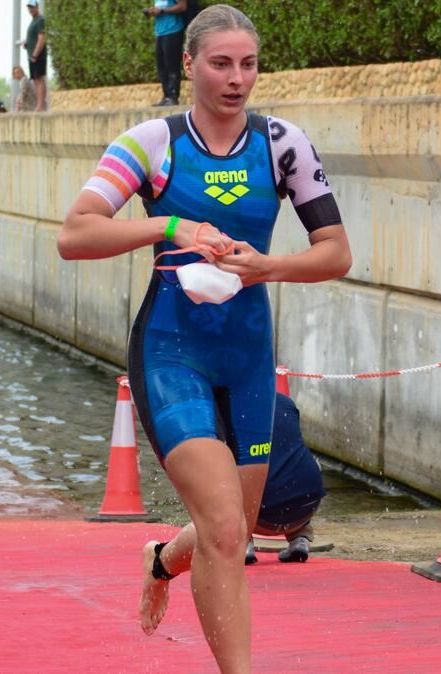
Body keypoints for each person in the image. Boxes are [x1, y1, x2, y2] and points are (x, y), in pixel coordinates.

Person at [56, 6, 351, 670]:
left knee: (235, 529)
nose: (236, 79)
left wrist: (270, 265)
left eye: (248, 64)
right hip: (171, 353)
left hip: (246, 354)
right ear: (188, 65)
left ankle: (160, 560)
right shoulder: (150, 144)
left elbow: (336, 253)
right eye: (221, 63)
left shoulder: (283, 145)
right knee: (223, 530)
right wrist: (170, 229)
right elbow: (75, 234)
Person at [244, 392, 326, 565]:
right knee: (296, 462)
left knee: (216, 469)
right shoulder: (285, 402)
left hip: (260, 517)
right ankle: (300, 538)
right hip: (308, 505)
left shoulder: (229, 404)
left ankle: (242, 542)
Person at [146, 0, 186, 106]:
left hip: (173, 29)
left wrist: (162, 11)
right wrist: (152, 12)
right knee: (161, 66)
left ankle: (173, 97)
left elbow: (182, 6)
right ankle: (166, 96)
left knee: (172, 65)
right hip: (160, 32)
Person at [20, 0, 48, 112]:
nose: (31, 9)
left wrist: (35, 54)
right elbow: (34, 38)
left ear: (37, 7)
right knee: (36, 80)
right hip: (31, 55)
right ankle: (40, 104)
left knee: (39, 79)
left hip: (38, 56)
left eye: (32, 7)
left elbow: (41, 39)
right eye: (29, 8)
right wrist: (28, 44)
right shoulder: (33, 21)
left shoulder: (41, 20)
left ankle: (40, 106)